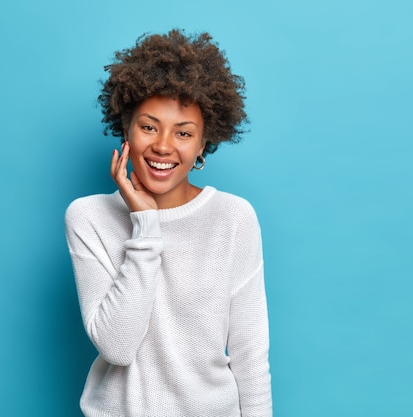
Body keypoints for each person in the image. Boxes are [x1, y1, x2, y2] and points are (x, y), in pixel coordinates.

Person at [65, 29, 272, 417]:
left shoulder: (234, 218)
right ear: (125, 127)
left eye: (183, 133)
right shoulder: (88, 217)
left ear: (203, 142)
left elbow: (250, 353)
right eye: (148, 126)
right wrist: (145, 224)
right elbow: (118, 347)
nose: (163, 146)